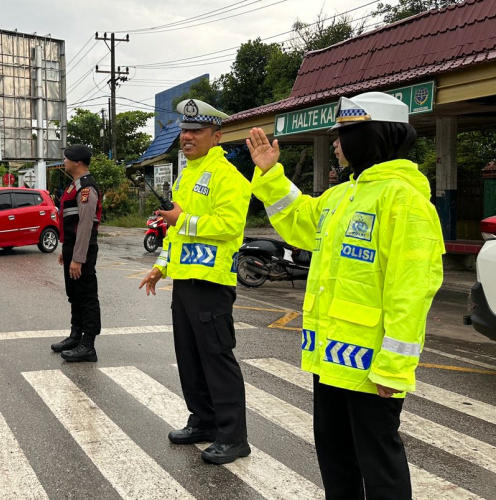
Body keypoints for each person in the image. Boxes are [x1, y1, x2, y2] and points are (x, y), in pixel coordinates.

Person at [245, 92, 444, 499]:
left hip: (372, 369)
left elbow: (411, 290)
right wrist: (270, 175)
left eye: (343, 134)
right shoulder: (342, 196)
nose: (335, 143)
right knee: (335, 457)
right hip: (332, 360)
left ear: (371, 136)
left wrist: (394, 368)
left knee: (379, 465)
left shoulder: (405, 200)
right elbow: (299, 221)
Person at [139, 99, 252, 465]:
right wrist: (161, 266)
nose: (187, 137)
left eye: (196, 131)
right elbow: (175, 233)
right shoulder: (186, 174)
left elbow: (229, 226)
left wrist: (183, 219)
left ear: (216, 136)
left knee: (217, 359)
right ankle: (203, 421)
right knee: (189, 358)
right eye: (184, 130)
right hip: (185, 280)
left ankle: (233, 437)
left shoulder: (228, 176)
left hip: (211, 282)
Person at [50, 145, 102, 362]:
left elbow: (85, 225)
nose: (64, 161)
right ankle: (75, 336)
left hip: (83, 249)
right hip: (73, 247)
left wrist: (78, 258)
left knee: (87, 297)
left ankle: (88, 345)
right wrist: (66, 250)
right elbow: (70, 221)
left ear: (77, 162)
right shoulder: (74, 185)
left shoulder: (86, 188)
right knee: (74, 295)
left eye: (67, 158)